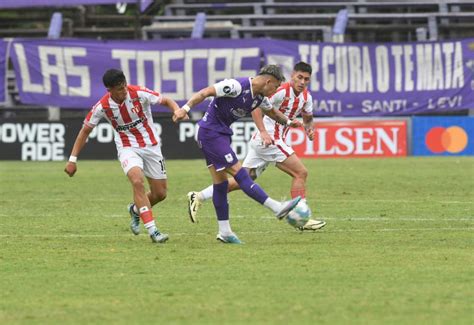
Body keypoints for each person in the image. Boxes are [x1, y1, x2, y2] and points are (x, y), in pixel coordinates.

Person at [187, 62, 326, 231]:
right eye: (300, 77)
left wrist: (308, 129)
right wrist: (263, 132)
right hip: (269, 139)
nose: (302, 82)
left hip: (269, 140)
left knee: (244, 179)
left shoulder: (306, 97)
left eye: (306, 79)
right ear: (292, 76)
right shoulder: (278, 90)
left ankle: (199, 196)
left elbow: (308, 117)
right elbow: (257, 109)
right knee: (301, 172)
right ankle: (302, 216)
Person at [64, 69, 180, 244]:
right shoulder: (102, 106)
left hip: (151, 147)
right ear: (109, 90)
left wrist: (176, 110)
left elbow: (166, 100)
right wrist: (72, 160)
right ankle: (153, 231)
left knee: (160, 193)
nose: (124, 90)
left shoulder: (138, 93)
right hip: (127, 148)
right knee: (136, 180)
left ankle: (135, 209)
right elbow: (85, 130)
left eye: (124, 86)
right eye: (119, 88)